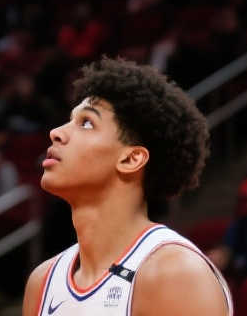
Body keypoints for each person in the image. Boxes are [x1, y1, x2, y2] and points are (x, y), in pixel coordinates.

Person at [22, 58, 231, 316]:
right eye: (70, 119)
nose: (56, 132)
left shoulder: (175, 274)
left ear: (131, 159)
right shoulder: (42, 281)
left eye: (86, 123)